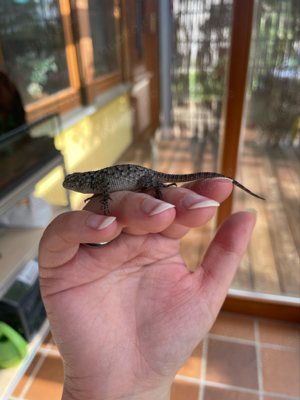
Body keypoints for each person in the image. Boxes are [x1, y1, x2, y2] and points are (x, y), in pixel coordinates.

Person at [39, 178, 256, 400]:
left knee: (155, 205)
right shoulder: (99, 184)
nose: (73, 185)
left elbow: (108, 190)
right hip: (138, 186)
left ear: (84, 183)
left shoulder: (101, 182)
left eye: (75, 183)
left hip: (142, 181)